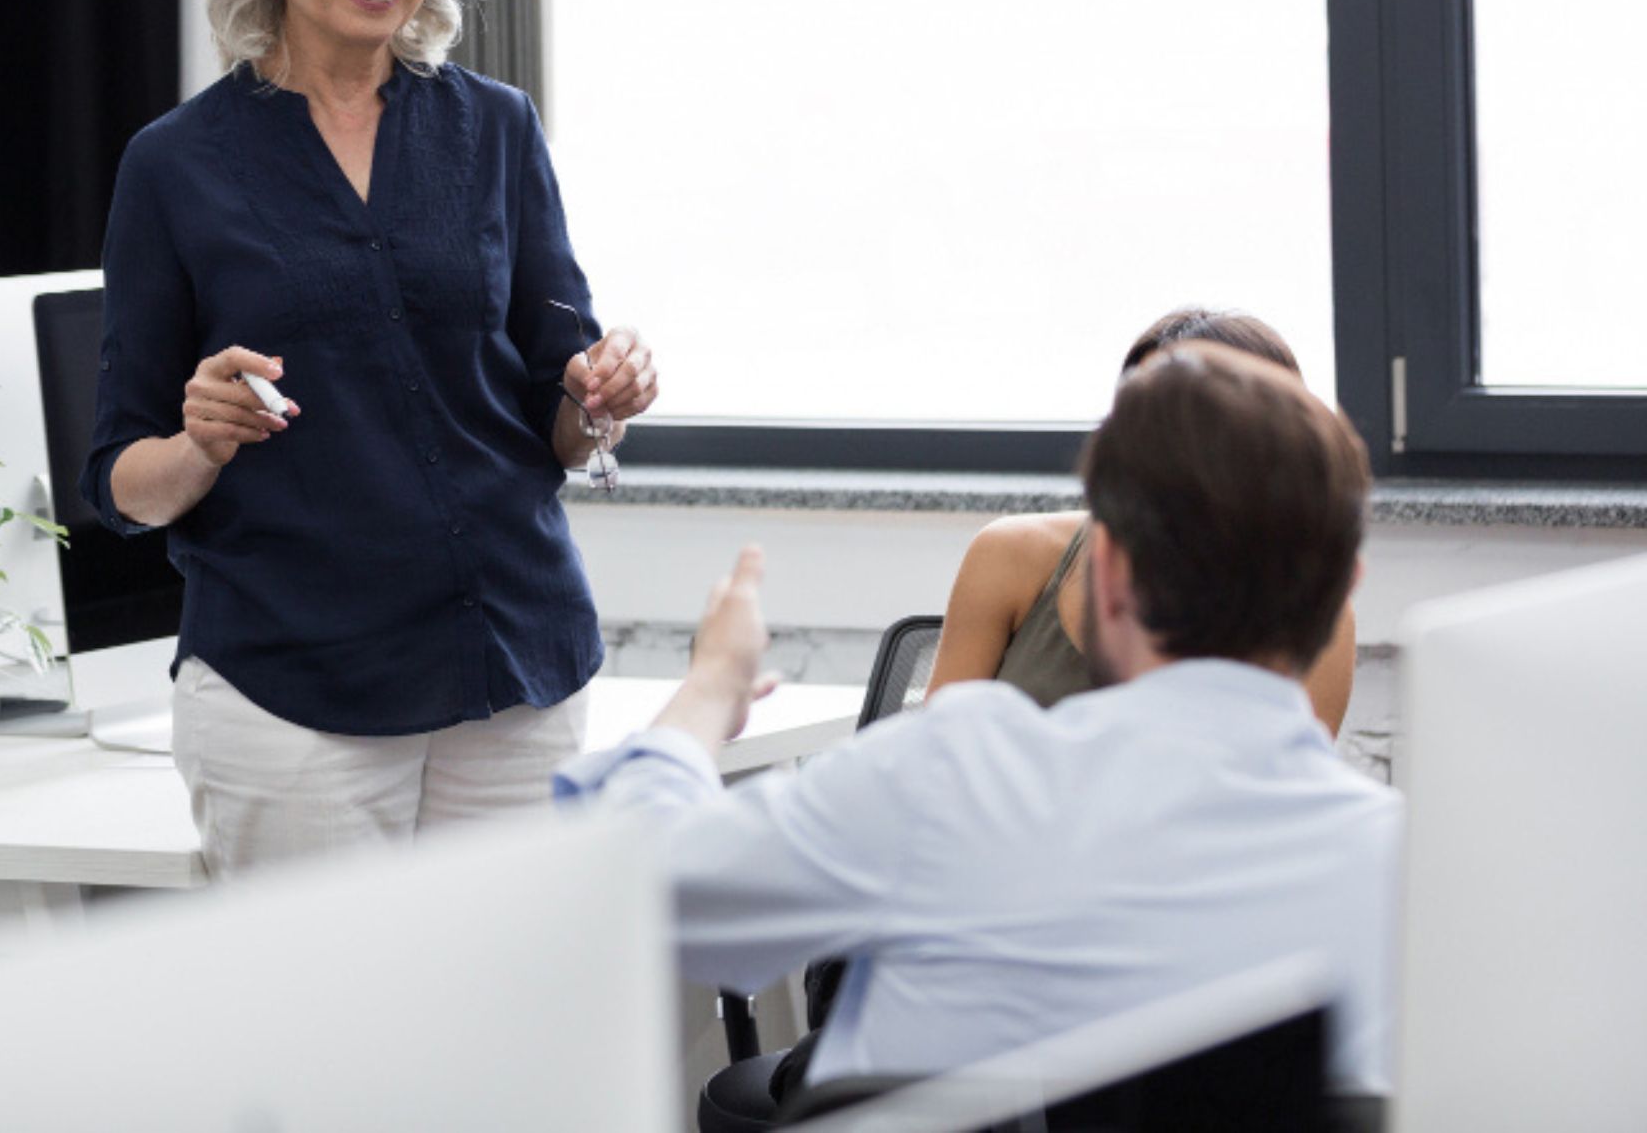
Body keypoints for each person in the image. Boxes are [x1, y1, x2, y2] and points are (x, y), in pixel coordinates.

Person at [558, 344, 1401, 1100]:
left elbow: (630, 888)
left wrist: (710, 687)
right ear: (1344, 589)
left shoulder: (959, 775)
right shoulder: (1412, 880)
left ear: (1105, 571)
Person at [85, 0, 655, 876]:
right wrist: (202, 436)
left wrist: (597, 398)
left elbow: (558, 417)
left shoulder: (496, 126)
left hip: (511, 663)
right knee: (333, 1042)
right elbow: (124, 480)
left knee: (504, 1027)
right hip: (295, 692)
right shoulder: (175, 165)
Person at [927, 307, 1358, 729]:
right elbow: (935, 759)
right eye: (1142, 416)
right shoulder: (1014, 553)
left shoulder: (1309, 606)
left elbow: (1282, 786)